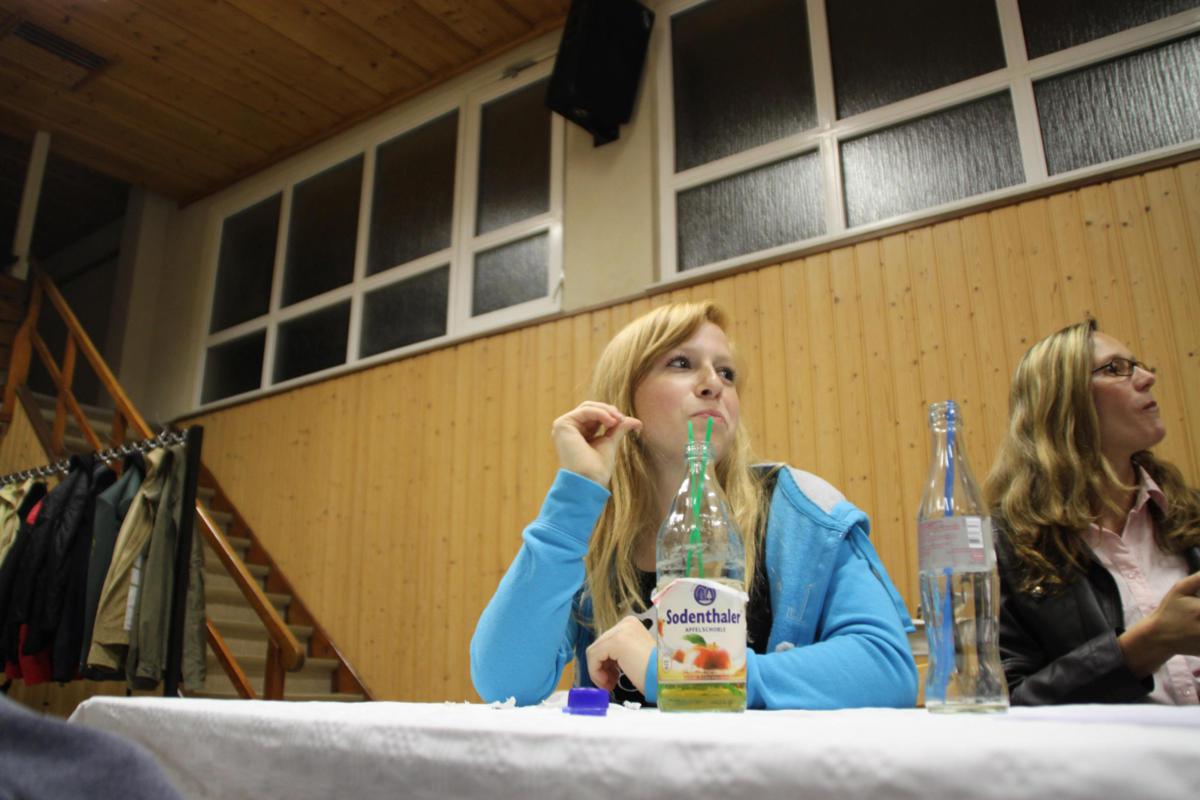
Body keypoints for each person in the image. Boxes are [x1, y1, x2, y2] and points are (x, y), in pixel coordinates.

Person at [470, 301, 917, 709]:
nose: (713, 384)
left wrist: (680, 676)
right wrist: (576, 494)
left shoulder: (801, 512)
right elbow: (504, 682)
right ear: (624, 397)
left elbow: (886, 667)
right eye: (681, 363)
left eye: (727, 373)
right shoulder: (591, 533)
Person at [985, 319, 1200, 705]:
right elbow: (1008, 700)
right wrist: (1144, 646)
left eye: (1139, 365)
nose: (1147, 377)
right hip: (1113, 746)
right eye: (1117, 368)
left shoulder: (1191, 513)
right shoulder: (1006, 548)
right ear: (1061, 402)